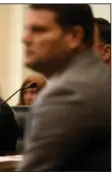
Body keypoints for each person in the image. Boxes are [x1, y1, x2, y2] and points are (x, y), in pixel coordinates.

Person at [17, 4, 110, 171]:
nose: (25, 38)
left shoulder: (67, 93)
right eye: (26, 29)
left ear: (74, 36)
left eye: (38, 30)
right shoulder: (98, 76)